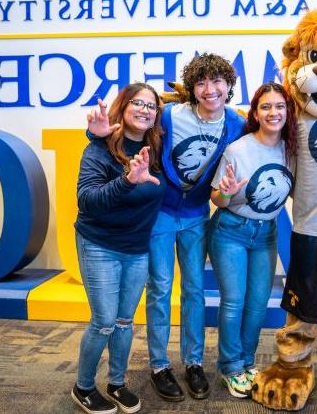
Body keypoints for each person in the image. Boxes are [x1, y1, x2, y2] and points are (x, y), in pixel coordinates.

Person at [87, 53, 245, 402]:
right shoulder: (169, 115)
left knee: (194, 289)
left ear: (229, 86)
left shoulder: (236, 123)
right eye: (201, 82)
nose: (210, 89)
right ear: (191, 88)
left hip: (196, 215)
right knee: (159, 288)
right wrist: (92, 134)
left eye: (217, 81)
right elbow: (126, 131)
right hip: (157, 213)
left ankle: (192, 362)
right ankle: (159, 365)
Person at [72, 82, 165, 414]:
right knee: (104, 321)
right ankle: (83, 387)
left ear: (157, 115)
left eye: (151, 106)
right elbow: (88, 202)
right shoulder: (101, 148)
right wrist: (127, 180)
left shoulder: (157, 146)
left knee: (125, 321)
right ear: (123, 108)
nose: (144, 110)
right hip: (100, 244)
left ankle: (116, 382)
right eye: (137, 103)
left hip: (137, 247)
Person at [207, 83, 298, 397]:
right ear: (256, 113)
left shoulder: (292, 149)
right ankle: (230, 367)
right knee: (235, 301)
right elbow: (217, 199)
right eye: (266, 107)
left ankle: (246, 362)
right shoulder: (238, 149)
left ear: (288, 111)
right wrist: (228, 192)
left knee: (258, 304)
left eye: (280, 106)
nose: (273, 113)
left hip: (266, 234)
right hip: (230, 230)